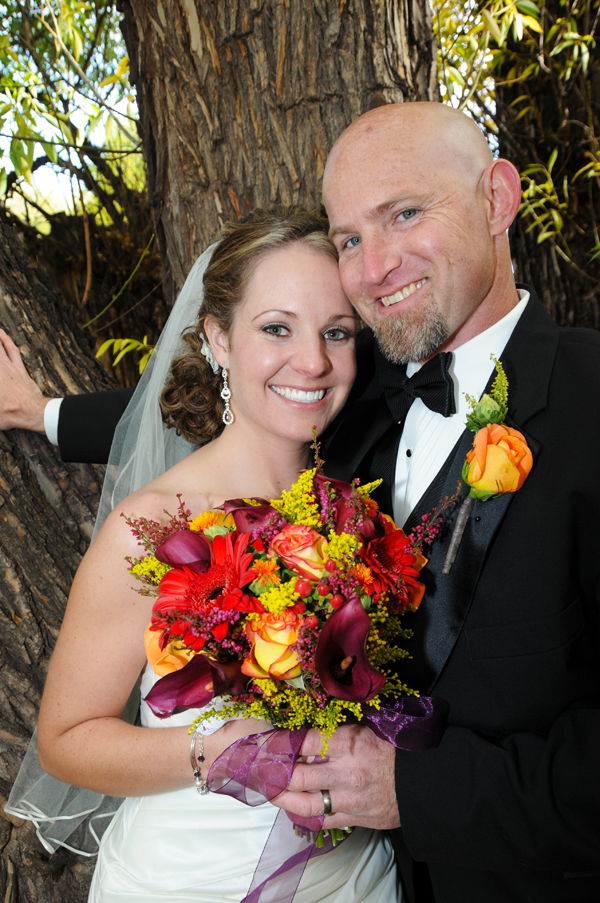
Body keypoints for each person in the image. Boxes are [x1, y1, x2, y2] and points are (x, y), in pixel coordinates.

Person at [270, 103, 600, 902]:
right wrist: (44, 413)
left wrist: (413, 791)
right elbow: (235, 391)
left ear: (497, 199)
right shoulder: (344, 412)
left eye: (405, 214)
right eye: (349, 238)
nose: (372, 267)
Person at [33, 207, 400, 902]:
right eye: (276, 328)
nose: (315, 361)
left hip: (356, 872)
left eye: (337, 332)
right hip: (196, 879)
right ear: (218, 339)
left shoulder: (356, 510)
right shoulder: (153, 526)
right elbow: (66, 737)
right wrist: (211, 751)